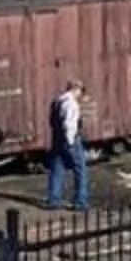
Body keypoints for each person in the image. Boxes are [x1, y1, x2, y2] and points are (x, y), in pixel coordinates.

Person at [44, 80, 90, 212]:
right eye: (81, 91)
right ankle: (80, 201)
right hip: (70, 140)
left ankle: (53, 199)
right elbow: (69, 124)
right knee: (80, 169)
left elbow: (52, 121)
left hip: (57, 139)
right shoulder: (71, 104)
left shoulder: (57, 101)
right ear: (76, 89)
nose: (80, 95)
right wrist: (70, 142)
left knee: (57, 169)